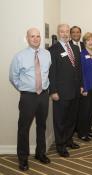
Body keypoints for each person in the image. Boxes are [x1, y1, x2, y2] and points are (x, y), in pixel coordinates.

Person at [9, 28, 51, 171]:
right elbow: (13, 77)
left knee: (42, 125)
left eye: (38, 36)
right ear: (27, 38)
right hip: (28, 97)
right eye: (32, 36)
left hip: (44, 95)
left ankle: (40, 153)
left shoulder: (47, 54)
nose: (36, 39)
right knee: (24, 128)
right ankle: (23, 158)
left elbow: (47, 73)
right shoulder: (19, 56)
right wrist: (24, 88)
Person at [49, 24, 82, 157]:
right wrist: (53, 91)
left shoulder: (75, 48)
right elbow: (52, 72)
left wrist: (81, 85)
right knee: (60, 120)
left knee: (71, 119)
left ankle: (68, 140)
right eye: (62, 31)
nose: (65, 33)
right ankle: (60, 145)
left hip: (75, 91)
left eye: (67, 31)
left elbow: (78, 69)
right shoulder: (53, 49)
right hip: (60, 92)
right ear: (58, 33)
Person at [77, 32, 92, 141]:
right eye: (88, 40)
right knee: (84, 111)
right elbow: (80, 72)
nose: (91, 42)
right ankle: (82, 132)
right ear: (85, 42)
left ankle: (88, 130)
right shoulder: (82, 54)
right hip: (86, 87)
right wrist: (83, 87)